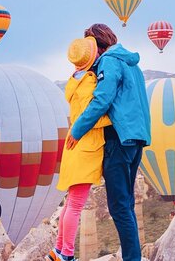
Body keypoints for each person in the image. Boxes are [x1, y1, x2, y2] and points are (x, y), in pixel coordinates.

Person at [66, 24, 151, 261]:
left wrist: (77, 130)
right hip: (136, 138)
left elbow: (102, 100)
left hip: (118, 139)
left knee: (118, 206)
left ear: (95, 46)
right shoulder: (132, 64)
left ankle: (132, 259)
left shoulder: (109, 62)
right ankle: (133, 256)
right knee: (127, 203)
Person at [48, 36, 112, 261]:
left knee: (70, 202)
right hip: (86, 146)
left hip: (74, 146)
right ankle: (66, 254)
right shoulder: (89, 82)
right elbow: (91, 116)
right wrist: (113, 119)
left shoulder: (73, 80)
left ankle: (58, 250)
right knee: (76, 205)